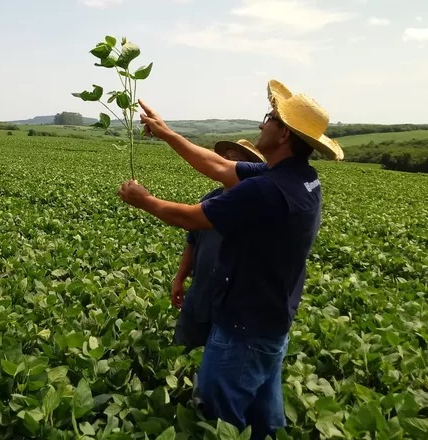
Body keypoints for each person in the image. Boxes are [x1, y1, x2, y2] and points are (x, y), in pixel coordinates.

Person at [117, 79, 343, 439]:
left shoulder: (269, 191)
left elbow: (191, 218)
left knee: (220, 414)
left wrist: (143, 199)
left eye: (269, 117)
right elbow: (220, 166)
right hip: (270, 321)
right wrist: (167, 133)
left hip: (244, 326)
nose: (261, 124)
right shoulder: (298, 177)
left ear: (284, 134)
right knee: (264, 420)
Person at [172, 139, 264, 352]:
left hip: (231, 301)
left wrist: (145, 201)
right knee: (181, 349)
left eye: (236, 161)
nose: (227, 163)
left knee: (216, 357)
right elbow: (192, 242)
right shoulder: (210, 199)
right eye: (226, 158)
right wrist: (179, 279)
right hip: (199, 291)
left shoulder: (255, 203)